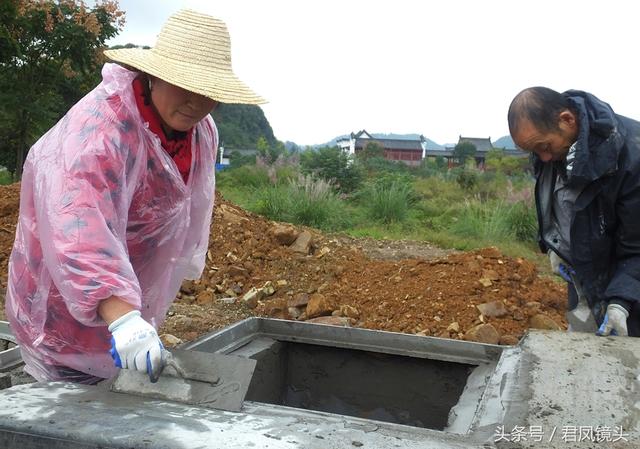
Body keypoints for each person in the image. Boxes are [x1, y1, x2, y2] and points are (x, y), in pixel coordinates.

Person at [4, 9, 264, 384]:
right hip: (64, 304)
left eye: (207, 92)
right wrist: (125, 321)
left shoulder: (201, 132)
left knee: (117, 400)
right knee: (66, 410)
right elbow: (80, 234)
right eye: (184, 85)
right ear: (155, 76)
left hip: (129, 300)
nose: (195, 101)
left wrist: (132, 319)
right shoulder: (98, 135)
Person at [507, 87, 640, 337]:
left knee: (627, 363)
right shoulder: (554, 152)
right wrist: (560, 246)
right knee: (583, 360)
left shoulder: (631, 156)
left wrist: (622, 299)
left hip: (630, 285)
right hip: (583, 279)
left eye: (544, 146)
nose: (543, 158)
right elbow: (566, 206)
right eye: (535, 151)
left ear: (567, 120)